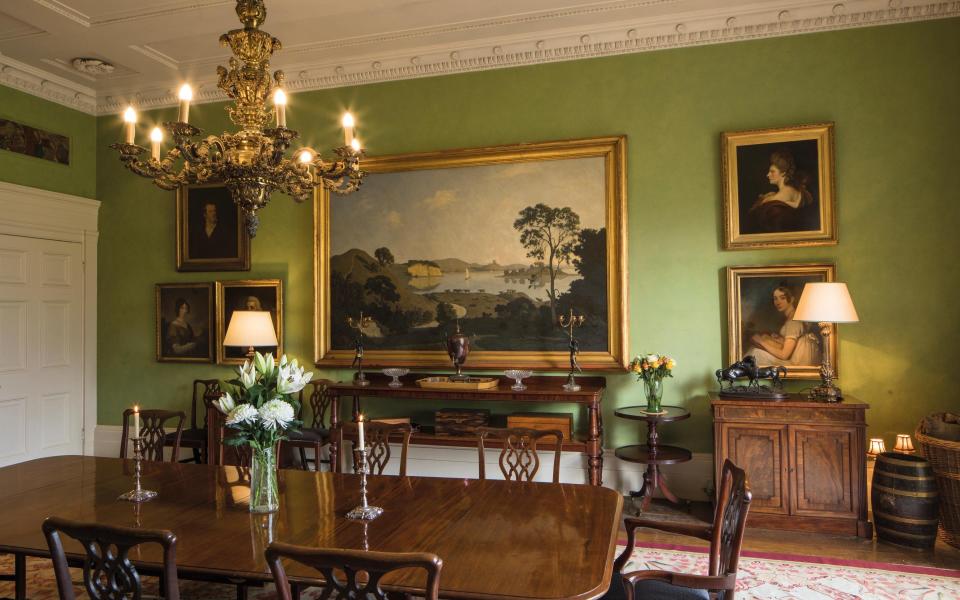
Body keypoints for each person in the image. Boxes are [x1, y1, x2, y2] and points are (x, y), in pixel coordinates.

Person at [745, 284, 820, 367]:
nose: (778, 302)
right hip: (794, 357)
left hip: (795, 363)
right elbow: (793, 342)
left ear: (791, 299)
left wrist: (761, 341)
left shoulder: (793, 322)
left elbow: (784, 355)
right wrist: (778, 339)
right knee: (761, 344)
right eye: (775, 298)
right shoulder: (793, 317)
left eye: (782, 298)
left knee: (755, 353)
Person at [745, 150, 817, 233]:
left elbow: (763, 204)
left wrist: (766, 198)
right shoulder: (789, 189)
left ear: (783, 173)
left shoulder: (785, 192)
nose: (768, 175)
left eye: (772, 171)